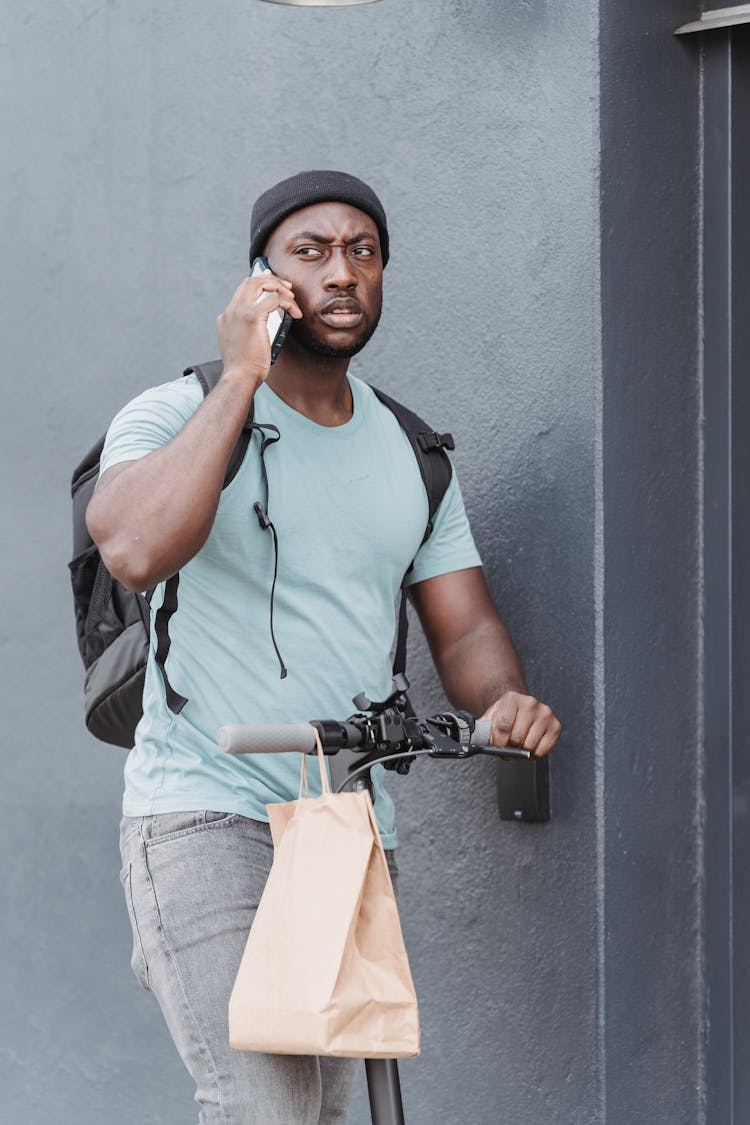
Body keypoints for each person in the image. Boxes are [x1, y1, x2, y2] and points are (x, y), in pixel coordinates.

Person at [86, 170, 562, 1125]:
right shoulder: (174, 412)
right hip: (202, 813)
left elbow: (464, 626)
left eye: (364, 252)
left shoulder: (412, 451)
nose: (343, 273)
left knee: (324, 1116)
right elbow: (135, 546)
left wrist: (502, 700)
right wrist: (242, 377)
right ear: (262, 278)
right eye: (311, 253)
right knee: (263, 1110)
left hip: (345, 830)